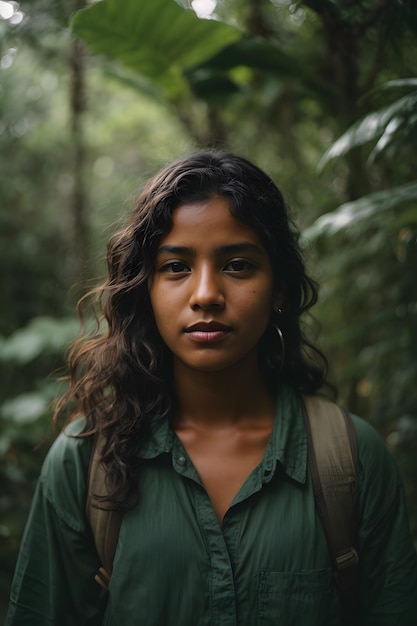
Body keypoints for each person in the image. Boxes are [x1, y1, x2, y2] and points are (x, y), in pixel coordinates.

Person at [6, 150, 417, 625]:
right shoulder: (84, 462)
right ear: (146, 288)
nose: (205, 294)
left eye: (238, 265)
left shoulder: (351, 460)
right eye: (176, 267)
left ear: (279, 287)